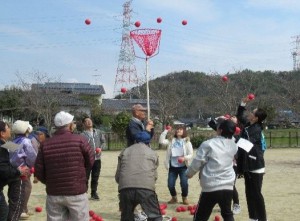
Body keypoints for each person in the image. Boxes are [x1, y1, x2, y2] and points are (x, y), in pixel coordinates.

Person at [34, 111, 95, 221]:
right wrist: (81, 176)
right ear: (70, 125)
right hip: (76, 191)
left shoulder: (45, 144)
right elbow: (90, 161)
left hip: (54, 192)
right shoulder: (80, 140)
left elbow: (38, 170)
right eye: (73, 123)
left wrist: (49, 181)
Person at [186, 120, 238, 221]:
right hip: (228, 185)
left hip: (211, 185)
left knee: (201, 216)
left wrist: (189, 173)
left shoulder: (208, 144)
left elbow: (198, 161)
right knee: (227, 214)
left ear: (220, 130)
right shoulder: (234, 145)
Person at [236, 97, 268, 221]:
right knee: (249, 193)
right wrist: (243, 103)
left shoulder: (256, 129)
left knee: (256, 194)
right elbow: (240, 115)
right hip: (248, 165)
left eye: (252, 112)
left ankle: (262, 218)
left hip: (256, 166)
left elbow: (246, 144)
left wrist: (231, 137)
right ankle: (253, 218)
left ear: (256, 118)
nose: (250, 113)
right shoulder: (249, 125)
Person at [115, 141, 162, 221]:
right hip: (146, 189)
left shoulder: (124, 151)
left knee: (126, 217)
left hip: (126, 189)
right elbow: (155, 176)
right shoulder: (152, 152)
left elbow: (117, 177)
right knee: (154, 216)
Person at [208, 115, 241, 215]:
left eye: (234, 121)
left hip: (232, 165)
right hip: (221, 163)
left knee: (231, 185)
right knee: (220, 184)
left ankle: (236, 204)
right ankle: (224, 205)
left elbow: (239, 152)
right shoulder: (223, 131)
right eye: (230, 120)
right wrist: (219, 117)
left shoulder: (237, 135)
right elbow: (211, 123)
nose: (232, 122)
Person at [0, 121, 30, 221]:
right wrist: (19, 170)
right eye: (8, 128)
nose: (10, 130)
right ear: (2, 133)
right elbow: (29, 155)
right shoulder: (22, 142)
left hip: (11, 175)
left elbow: (16, 153)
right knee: (12, 205)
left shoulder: (9, 143)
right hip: (16, 175)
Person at [159, 125, 193, 205]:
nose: (178, 131)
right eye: (177, 129)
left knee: (184, 184)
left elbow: (191, 154)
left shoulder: (187, 141)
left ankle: (184, 198)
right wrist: (165, 131)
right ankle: (174, 198)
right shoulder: (171, 140)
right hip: (172, 167)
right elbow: (161, 141)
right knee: (170, 184)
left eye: (180, 129)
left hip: (183, 167)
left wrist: (184, 158)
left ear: (184, 131)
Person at [10, 120, 37, 220]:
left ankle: (22, 209)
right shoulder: (26, 141)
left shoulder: (12, 141)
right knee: (25, 188)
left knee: (15, 190)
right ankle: (22, 210)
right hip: (23, 169)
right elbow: (32, 157)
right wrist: (31, 166)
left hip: (12, 169)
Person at [81, 116, 106, 200]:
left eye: (90, 120)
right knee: (85, 177)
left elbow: (103, 142)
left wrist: (101, 148)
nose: (89, 122)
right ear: (84, 124)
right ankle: (84, 193)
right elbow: (81, 147)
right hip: (87, 160)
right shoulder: (82, 135)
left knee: (95, 177)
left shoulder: (98, 132)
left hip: (97, 159)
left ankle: (94, 193)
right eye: (86, 121)